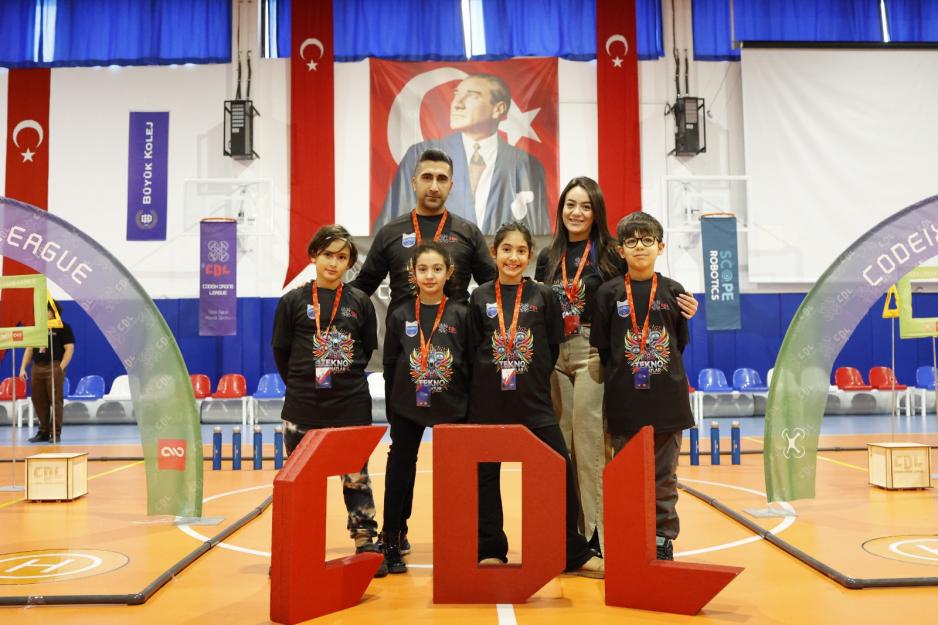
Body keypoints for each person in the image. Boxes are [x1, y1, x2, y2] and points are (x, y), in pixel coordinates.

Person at [535, 178, 698, 552]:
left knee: (591, 445)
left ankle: (600, 536)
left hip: (591, 350)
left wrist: (685, 307)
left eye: (586, 206)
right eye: (570, 204)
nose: (577, 212)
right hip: (555, 353)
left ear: (597, 212)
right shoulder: (548, 255)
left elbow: (641, 309)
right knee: (562, 448)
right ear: (560, 208)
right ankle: (572, 535)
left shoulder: (610, 252)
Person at [351, 147, 495, 555]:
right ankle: (394, 535)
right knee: (402, 455)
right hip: (406, 364)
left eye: (442, 178)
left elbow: (491, 289)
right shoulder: (391, 232)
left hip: (456, 366)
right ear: (414, 182)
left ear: (452, 185)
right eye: (427, 177)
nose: (434, 185)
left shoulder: (467, 233)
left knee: (460, 457)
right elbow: (361, 289)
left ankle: (462, 535)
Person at [467, 221, 604, 578]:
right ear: (494, 253)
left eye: (520, 251)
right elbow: (471, 350)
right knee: (486, 475)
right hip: (488, 404)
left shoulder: (543, 296)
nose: (513, 257)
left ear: (530, 256)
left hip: (534, 403)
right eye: (506, 249)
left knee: (559, 466)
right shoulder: (480, 297)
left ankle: (571, 551)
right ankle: (490, 548)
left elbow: (552, 347)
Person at [271, 224, 388, 577]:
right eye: (327, 255)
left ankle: (365, 540)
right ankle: (297, 547)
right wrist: (301, 385)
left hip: (349, 406)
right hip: (302, 407)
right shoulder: (292, 301)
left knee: (356, 478)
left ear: (350, 262)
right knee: (300, 482)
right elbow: (281, 352)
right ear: (314, 256)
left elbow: (366, 350)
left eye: (341, 257)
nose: (333, 263)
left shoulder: (360, 302)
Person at [590, 212, 696, 560]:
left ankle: (663, 538)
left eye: (647, 240)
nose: (640, 247)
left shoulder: (674, 291)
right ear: (620, 250)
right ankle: (631, 536)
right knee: (628, 476)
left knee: (664, 477)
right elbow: (604, 348)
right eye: (631, 241)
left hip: (668, 403)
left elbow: (679, 344)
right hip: (625, 403)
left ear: (661, 247)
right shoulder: (608, 293)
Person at [380, 241, 471, 573]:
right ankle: (392, 537)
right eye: (422, 269)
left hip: (452, 405)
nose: (429, 276)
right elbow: (390, 364)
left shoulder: (462, 313)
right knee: (400, 468)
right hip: (408, 405)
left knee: (456, 474)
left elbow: (471, 363)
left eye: (436, 269)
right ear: (412, 273)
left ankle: (458, 538)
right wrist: (393, 409)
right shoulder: (400, 314)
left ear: (449, 272)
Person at [375, 73, 549, 235]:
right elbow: (391, 226)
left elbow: (538, 234)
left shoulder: (525, 164)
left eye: (472, 96)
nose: (457, 104)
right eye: (456, 95)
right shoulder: (421, 156)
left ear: (498, 109)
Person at [20, 300, 74, 443]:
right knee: (38, 400)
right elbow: (29, 349)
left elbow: (69, 349)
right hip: (37, 367)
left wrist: (61, 367)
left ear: (54, 311)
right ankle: (43, 431)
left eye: (47, 310)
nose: (44, 313)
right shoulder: (37, 328)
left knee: (55, 401)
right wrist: (23, 368)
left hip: (54, 366)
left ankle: (55, 433)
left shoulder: (63, 327)